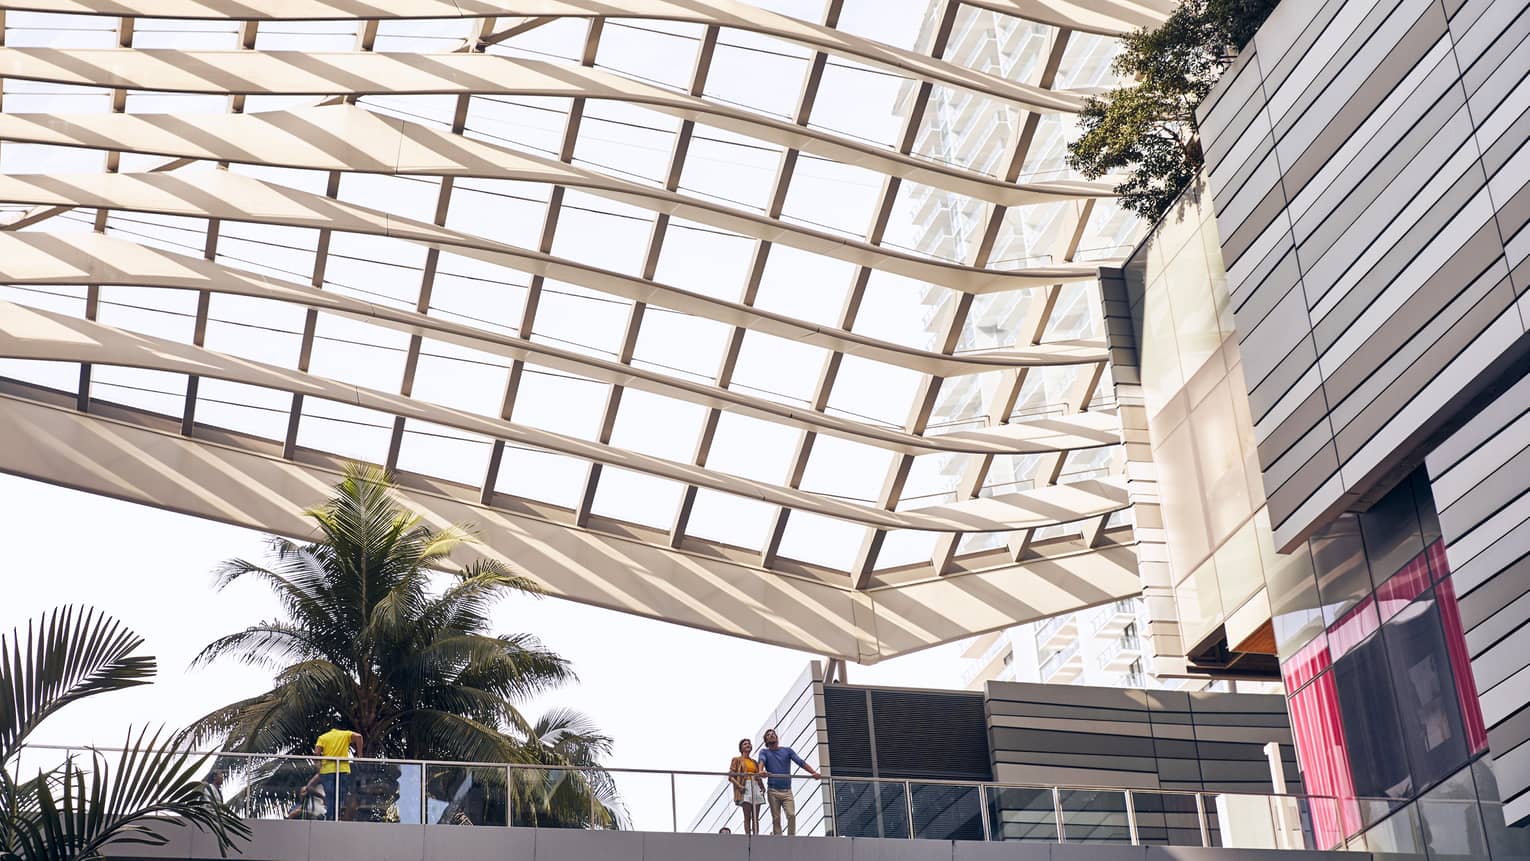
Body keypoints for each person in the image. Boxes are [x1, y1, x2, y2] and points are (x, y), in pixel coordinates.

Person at [754, 728, 820, 836]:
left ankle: (791, 837)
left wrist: (813, 773)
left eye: (773, 734)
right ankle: (778, 839)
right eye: (769, 735)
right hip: (773, 790)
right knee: (776, 818)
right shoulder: (764, 752)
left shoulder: (787, 751)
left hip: (787, 791)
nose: (771, 735)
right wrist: (761, 771)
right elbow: (761, 761)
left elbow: (800, 762)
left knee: (791, 815)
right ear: (766, 740)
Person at [301, 726, 363, 821]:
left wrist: (318, 768)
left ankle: (331, 817)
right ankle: (335, 816)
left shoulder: (323, 737)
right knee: (340, 796)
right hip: (341, 769)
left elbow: (316, 754)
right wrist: (359, 756)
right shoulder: (345, 734)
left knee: (330, 796)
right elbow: (359, 736)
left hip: (327, 770)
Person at [728, 738, 766, 836]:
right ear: (741, 748)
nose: (748, 745)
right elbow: (731, 777)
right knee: (747, 815)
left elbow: (757, 775)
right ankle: (748, 835)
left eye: (749, 744)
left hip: (755, 786)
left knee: (755, 816)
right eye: (745, 744)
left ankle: (756, 835)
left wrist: (762, 786)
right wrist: (739, 786)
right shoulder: (736, 760)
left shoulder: (754, 762)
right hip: (745, 786)